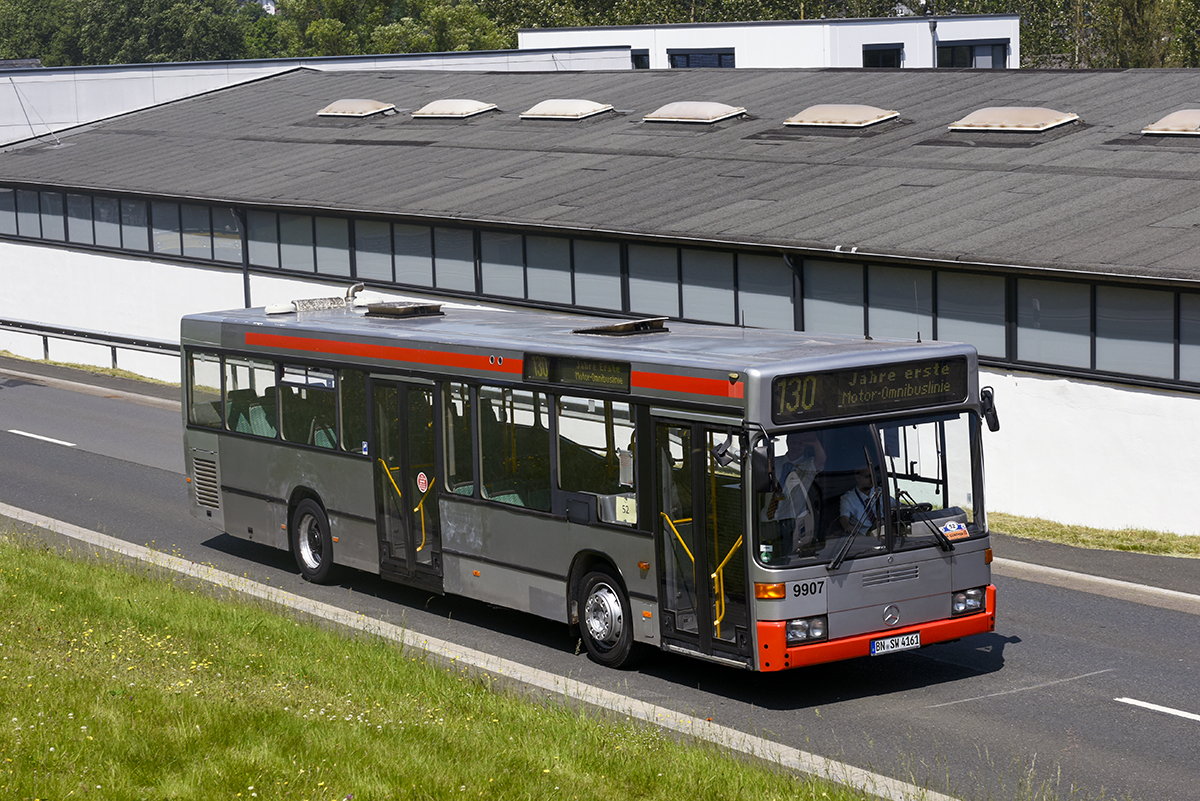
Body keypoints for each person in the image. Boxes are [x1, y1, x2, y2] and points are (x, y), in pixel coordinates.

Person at [760, 431, 826, 557]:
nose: (797, 446)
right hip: (767, 518)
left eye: (801, 444)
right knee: (767, 555)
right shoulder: (774, 462)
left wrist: (815, 442)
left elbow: (821, 460)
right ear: (787, 442)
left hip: (790, 520)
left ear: (806, 446)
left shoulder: (808, 465)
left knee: (787, 555)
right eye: (794, 442)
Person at [838, 464, 890, 536]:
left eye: (873, 476)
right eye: (867, 476)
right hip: (863, 537)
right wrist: (847, 526)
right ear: (857, 477)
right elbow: (844, 518)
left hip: (884, 533)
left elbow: (896, 504)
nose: (871, 480)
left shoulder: (879, 492)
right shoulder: (848, 498)